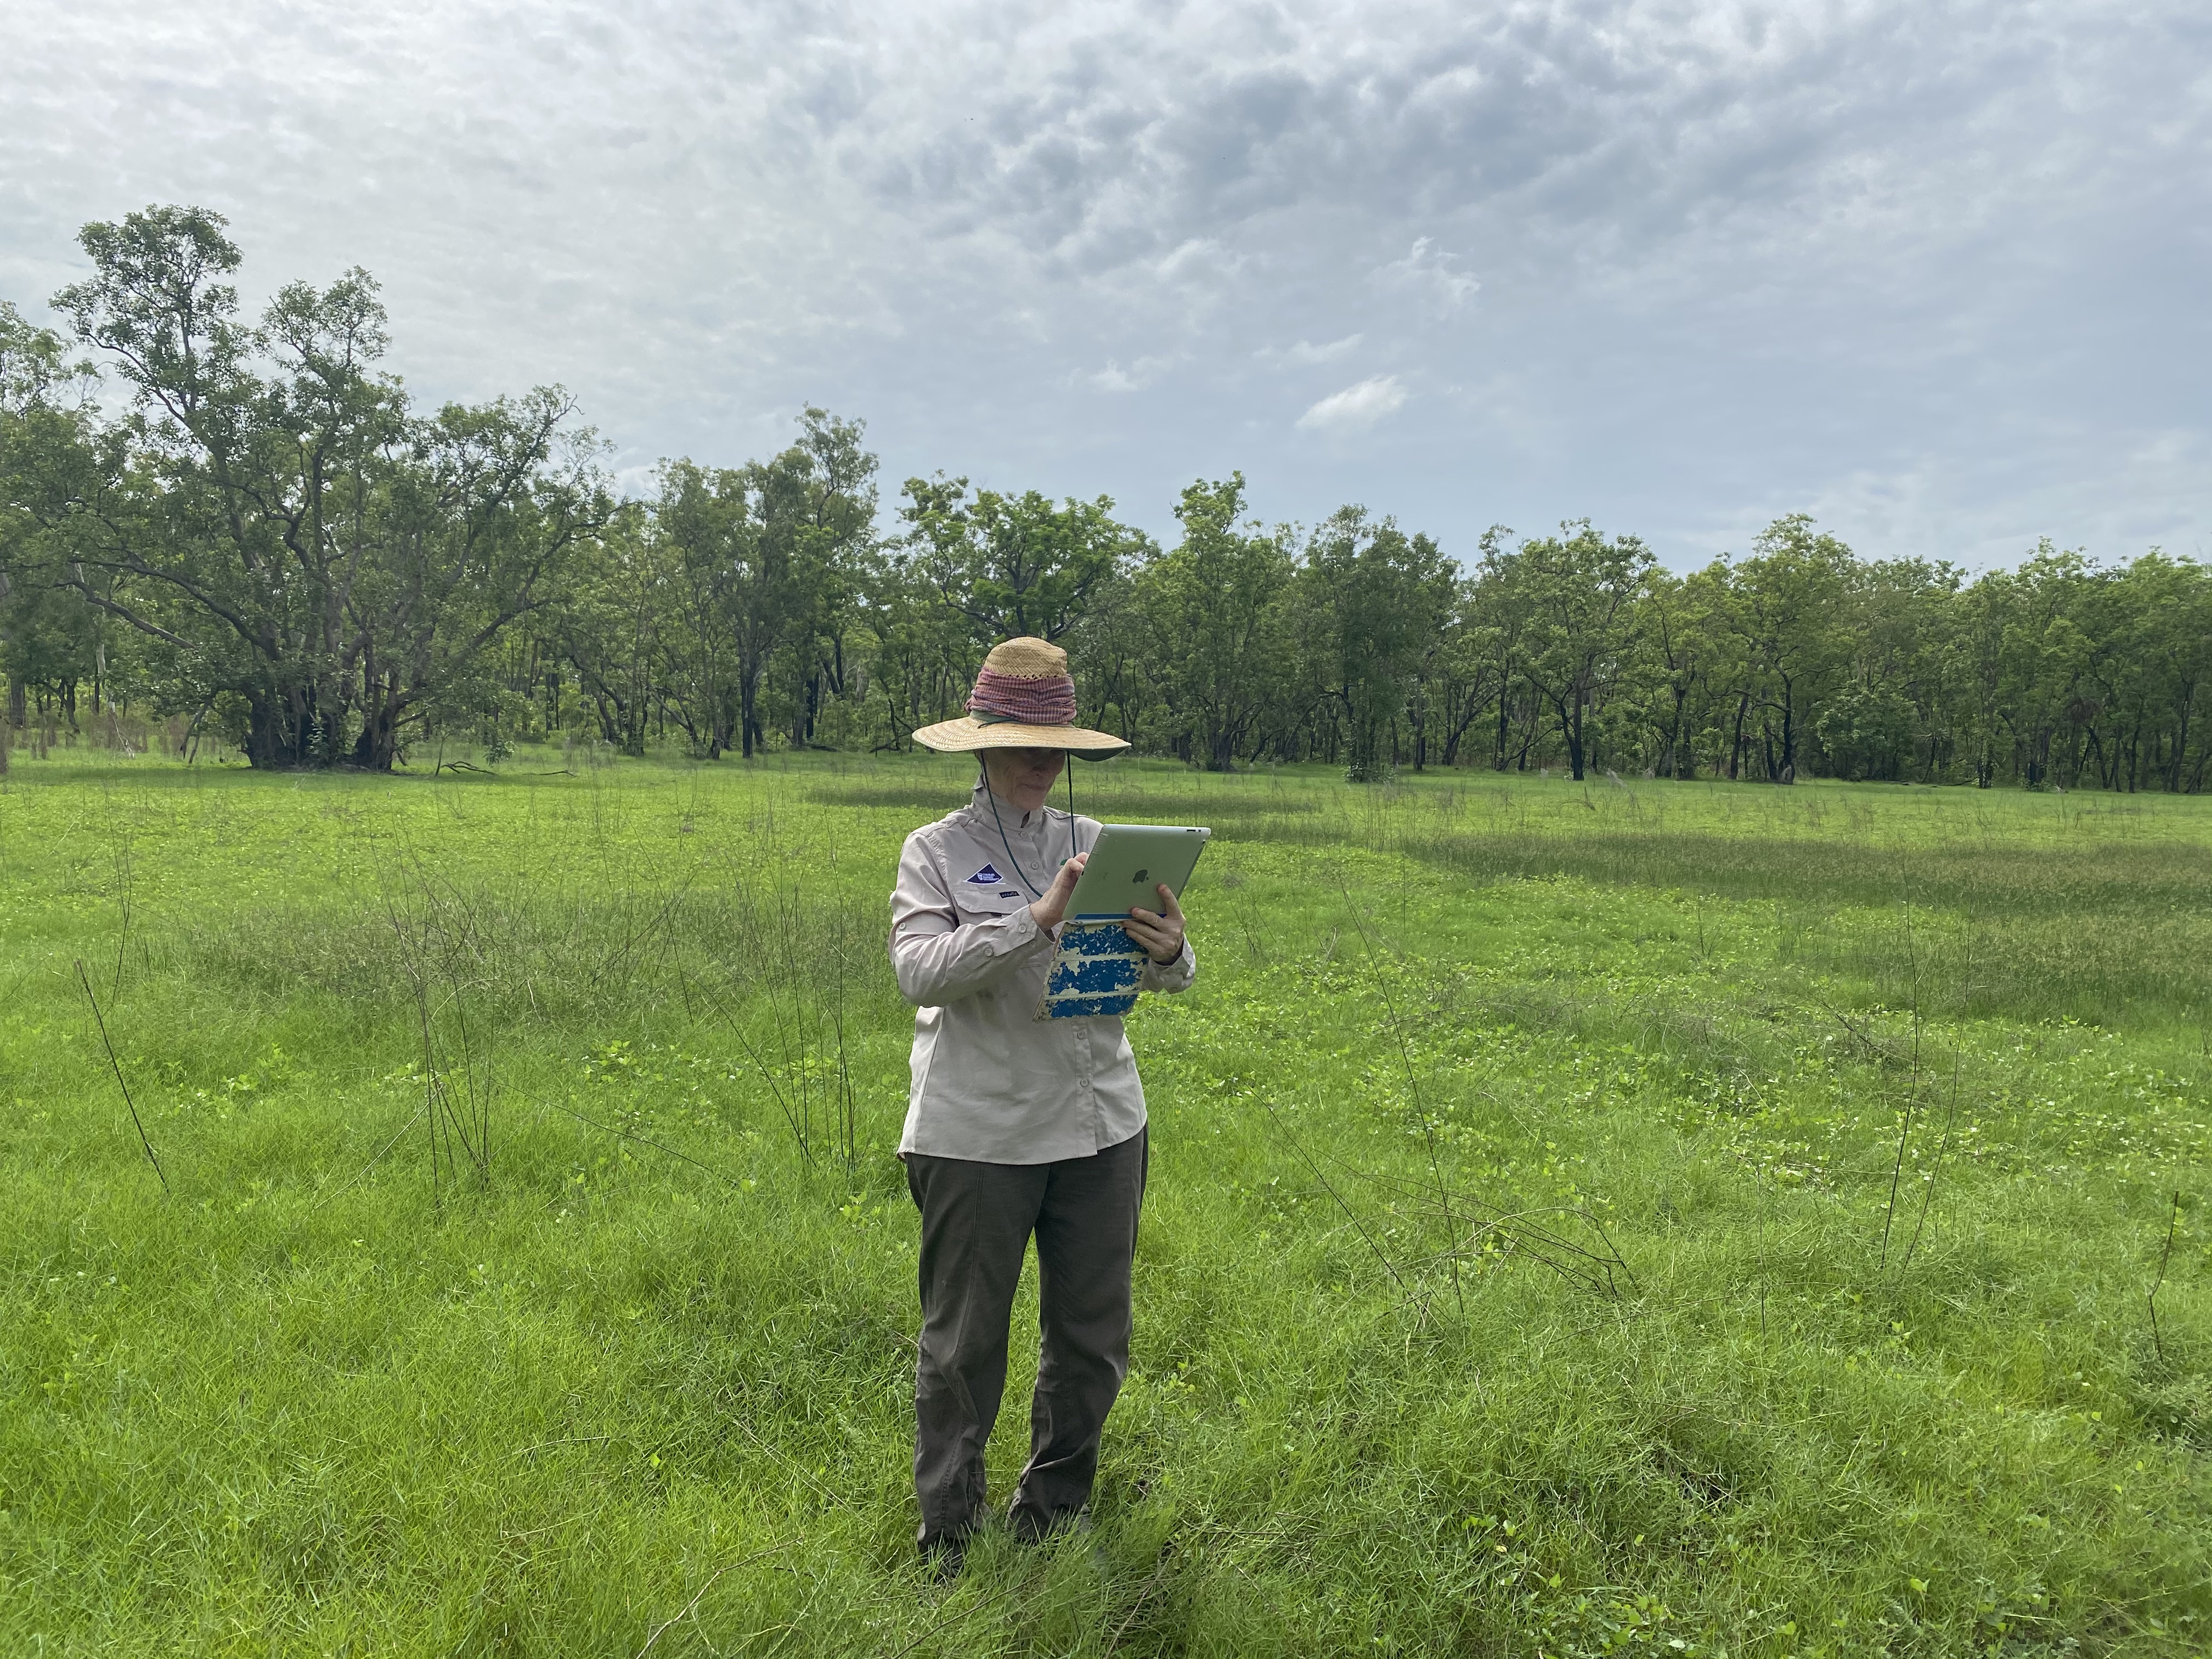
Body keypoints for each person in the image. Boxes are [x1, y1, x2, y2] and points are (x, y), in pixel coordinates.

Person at [889, 636, 1195, 1577]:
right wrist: (1033, 923)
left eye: (1055, 739)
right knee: (964, 1343)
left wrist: (1171, 948)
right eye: (1022, 737)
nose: (1041, 757)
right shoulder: (936, 853)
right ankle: (950, 1530)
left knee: (1093, 1333)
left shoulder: (1098, 844)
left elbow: (1168, 980)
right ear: (981, 744)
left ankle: (1054, 1509)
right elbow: (918, 973)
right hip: (979, 1130)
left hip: (1102, 1121)